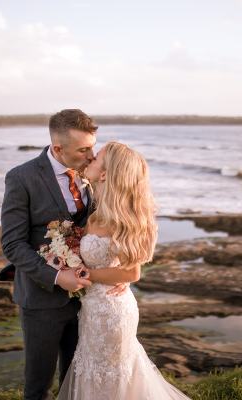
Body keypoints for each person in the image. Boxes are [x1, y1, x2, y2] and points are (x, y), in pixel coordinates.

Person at [0, 110, 128, 400]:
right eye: (83, 149)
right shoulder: (22, 178)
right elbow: (12, 244)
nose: (91, 155)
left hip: (90, 300)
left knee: (77, 382)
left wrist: (121, 274)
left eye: (93, 147)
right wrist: (58, 276)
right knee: (38, 386)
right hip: (41, 299)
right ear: (58, 148)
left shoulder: (93, 176)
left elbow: (112, 231)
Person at [57, 142, 191, 399]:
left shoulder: (120, 219)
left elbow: (132, 273)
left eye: (96, 159)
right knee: (93, 373)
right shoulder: (97, 210)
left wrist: (84, 275)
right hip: (93, 310)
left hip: (112, 311)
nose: (90, 160)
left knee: (112, 377)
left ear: (106, 173)